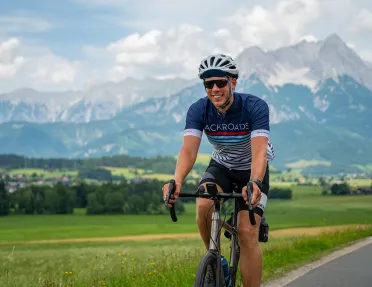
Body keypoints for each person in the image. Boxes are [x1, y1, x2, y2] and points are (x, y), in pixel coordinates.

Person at [162, 53, 275, 287]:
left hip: (252, 169)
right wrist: (177, 181)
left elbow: (259, 151)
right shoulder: (199, 109)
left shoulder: (254, 107)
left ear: (232, 82)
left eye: (220, 82)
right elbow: (188, 150)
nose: (215, 88)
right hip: (221, 166)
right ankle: (215, 261)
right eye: (208, 84)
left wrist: (254, 180)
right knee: (203, 204)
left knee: (246, 232)